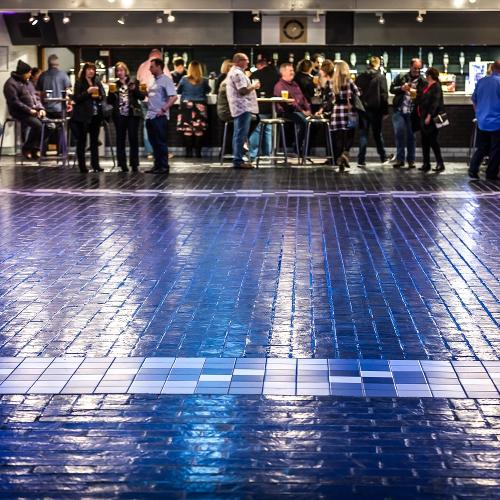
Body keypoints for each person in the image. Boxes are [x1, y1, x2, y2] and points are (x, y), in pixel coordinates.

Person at [3, 59, 46, 160]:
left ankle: (34, 148)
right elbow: (14, 102)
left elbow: (36, 97)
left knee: (50, 126)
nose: (30, 75)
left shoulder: (28, 83)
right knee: (38, 125)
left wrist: (41, 108)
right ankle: (27, 148)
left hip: (32, 111)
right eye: (29, 72)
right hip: (19, 112)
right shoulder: (10, 84)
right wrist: (29, 110)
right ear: (23, 73)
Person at [107, 62, 146, 172]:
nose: (119, 73)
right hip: (119, 115)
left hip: (132, 114)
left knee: (133, 138)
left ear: (126, 71)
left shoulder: (133, 82)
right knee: (120, 139)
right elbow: (109, 102)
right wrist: (111, 93)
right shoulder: (114, 85)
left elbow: (142, 97)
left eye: (121, 70)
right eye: (117, 71)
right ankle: (122, 164)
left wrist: (134, 89)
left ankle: (134, 164)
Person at [226, 53, 260, 169]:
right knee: (240, 135)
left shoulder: (234, 72)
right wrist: (254, 86)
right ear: (238, 61)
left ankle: (238, 158)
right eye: (245, 60)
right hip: (242, 108)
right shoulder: (238, 73)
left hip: (240, 108)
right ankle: (238, 160)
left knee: (239, 134)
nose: (247, 62)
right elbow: (243, 91)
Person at [390, 58, 426, 168]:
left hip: (413, 112)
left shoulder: (422, 81)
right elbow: (391, 89)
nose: (417, 70)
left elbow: (424, 96)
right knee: (399, 134)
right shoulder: (401, 77)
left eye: (419, 69)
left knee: (411, 136)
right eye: (415, 68)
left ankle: (411, 160)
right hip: (399, 110)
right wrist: (401, 88)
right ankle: (400, 160)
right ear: (410, 67)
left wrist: (417, 94)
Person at [70, 62, 105, 173]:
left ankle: (96, 165)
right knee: (82, 141)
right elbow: (76, 98)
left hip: (95, 115)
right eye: (89, 69)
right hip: (83, 116)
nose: (91, 71)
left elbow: (103, 95)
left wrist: (99, 96)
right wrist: (87, 92)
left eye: (93, 69)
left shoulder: (97, 82)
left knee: (94, 141)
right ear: (84, 70)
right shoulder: (79, 82)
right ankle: (82, 166)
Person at [136, 49, 171, 159]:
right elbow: (170, 83)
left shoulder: (142, 65)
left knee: (148, 126)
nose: (150, 69)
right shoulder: (162, 67)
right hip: (157, 103)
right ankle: (160, 153)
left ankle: (150, 152)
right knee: (159, 128)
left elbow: (138, 80)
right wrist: (164, 108)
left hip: (144, 100)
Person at [355, 56, 390, 167]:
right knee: (377, 134)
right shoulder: (381, 77)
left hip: (363, 110)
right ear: (378, 64)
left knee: (363, 135)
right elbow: (384, 95)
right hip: (376, 110)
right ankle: (383, 157)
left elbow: (356, 93)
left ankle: (361, 160)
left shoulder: (360, 77)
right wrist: (385, 111)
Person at [144, 58, 177, 174]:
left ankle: (164, 166)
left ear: (159, 67)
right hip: (150, 116)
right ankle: (157, 165)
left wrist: (163, 109)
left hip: (160, 117)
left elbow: (174, 97)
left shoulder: (166, 80)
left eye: (152, 66)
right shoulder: (153, 81)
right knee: (154, 142)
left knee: (161, 142)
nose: (150, 69)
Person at [469, 59, 500, 181]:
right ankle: (491, 174)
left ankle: (473, 170)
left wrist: (479, 113)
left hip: (482, 121)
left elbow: (474, 100)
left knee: (482, 148)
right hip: (497, 122)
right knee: (496, 149)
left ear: (492, 68)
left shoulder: (481, 81)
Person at [274, 62, 312, 155]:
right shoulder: (280, 86)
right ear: (283, 72)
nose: (293, 72)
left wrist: (308, 109)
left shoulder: (294, 84)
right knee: (304, 122)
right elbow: (289, 103)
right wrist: (302, 111)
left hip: (298, 111)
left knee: (311, 123)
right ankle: (297, 148)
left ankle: (305, 150)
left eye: (293, 70)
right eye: (290, 70)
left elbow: (303, 98)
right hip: (287, 111)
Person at [329, 60, 360, 170]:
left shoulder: (332, 82)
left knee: (338, 137)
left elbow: (330, 97)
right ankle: (344, 154)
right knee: (349, 135)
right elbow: (357, 93)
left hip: (337, 111)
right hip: (348, 111)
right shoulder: (349, 81)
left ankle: (339, 158)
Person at [176, 61, 211, 158]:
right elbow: (209, 90)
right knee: (198, 130)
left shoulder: (184, 79)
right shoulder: (204, 80)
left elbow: (178, 91)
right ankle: (198, 153)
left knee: (188, 130)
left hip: (187, 105)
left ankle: (188, 153)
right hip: (200, 106)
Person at [248, 56, 280, 160]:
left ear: (259, 65)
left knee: (257, 129)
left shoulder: (256, 75)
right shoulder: (276, 74)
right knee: (268, 129)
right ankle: (268, 154)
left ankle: (253, 154)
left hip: (258, 107)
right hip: (272, 107)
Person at [416, 67, 446, 172]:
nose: (425, 77)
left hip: (432, 118)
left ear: (429, 76)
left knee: (433, 141)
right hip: (423, 117)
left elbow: (435, 103)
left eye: (426, 75)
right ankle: (426, 163)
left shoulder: (436, 86)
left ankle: (440, 163)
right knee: (424, 141)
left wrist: (429, 116)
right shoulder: (427, 86)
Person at [37, 54, 71, 119]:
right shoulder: (63, 75)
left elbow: (39, 93)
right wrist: (69, 102)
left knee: (47, 127)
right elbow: (68, 91)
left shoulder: (42, 76)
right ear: (58, 64)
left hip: (45, 109)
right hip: (60, 108)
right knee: (60, 127)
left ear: (48, 64)